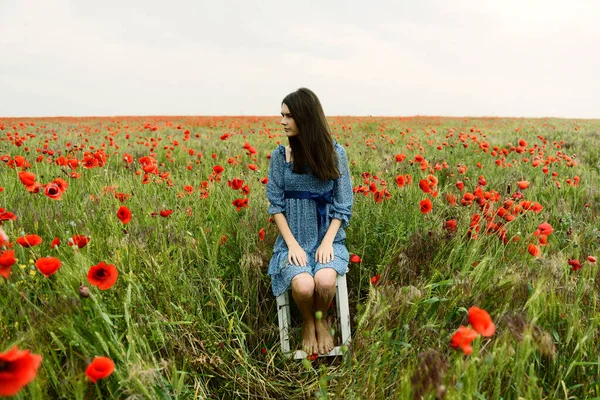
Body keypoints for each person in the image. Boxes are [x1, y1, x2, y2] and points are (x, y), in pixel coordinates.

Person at [266, 88, 354, 356]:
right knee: (304, 286)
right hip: (292, 241)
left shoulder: (334, 152)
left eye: (289, 116)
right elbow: (276, 206)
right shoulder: (280, 157)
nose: (282, 121)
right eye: (282, 115)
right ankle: (307, 321)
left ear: (306, 117)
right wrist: (292, 245)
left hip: (327, 237)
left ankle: (320, 319)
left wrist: (327, 241)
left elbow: (343, 203)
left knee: (325, 281)